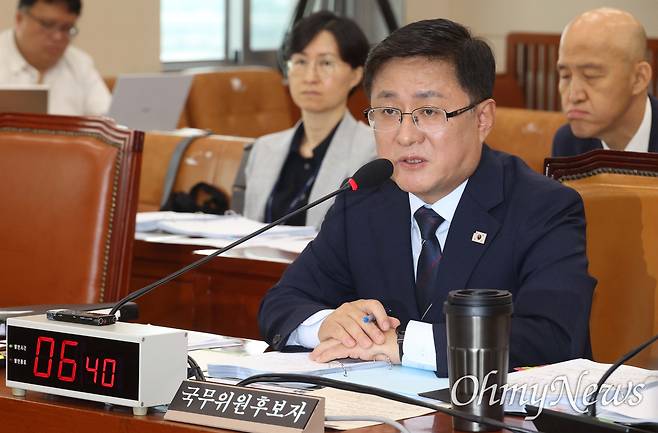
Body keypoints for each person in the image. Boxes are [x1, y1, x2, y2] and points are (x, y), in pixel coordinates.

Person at [258, 18, 596, 376]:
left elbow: (553, 336)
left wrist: (406, 343)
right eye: (389, 112)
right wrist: (327, 324)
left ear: (482, 119)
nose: (405, 136)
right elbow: (282, 303)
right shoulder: (362, 200)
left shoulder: (543, 207)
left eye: (429, 112)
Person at [243, 11, 376, 228]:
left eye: (326, 63)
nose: (310, 77)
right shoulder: (263, 149)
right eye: (301, 62)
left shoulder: (372, 151)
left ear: (355, 75)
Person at [552, 8, 656, 156]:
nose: (573, 96)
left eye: (591, 76)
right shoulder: (568, 142)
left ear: (639, 78)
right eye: (565, 76)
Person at [0, 0, 111, 116]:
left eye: (67, 28)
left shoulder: (80, 64)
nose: (58, 36)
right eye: (47, 24)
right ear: (19, 19)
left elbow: (109, 118)